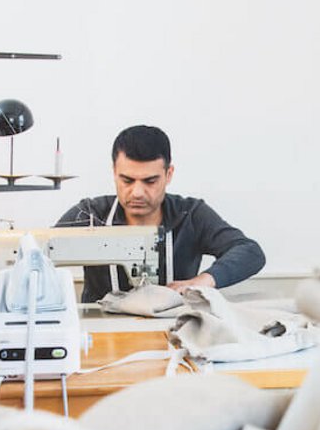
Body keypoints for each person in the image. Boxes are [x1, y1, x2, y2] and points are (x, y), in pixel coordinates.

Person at [55, 125, 265, 302]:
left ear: (168, 174)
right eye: (127, 180)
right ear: (114, 173)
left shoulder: (190, 214)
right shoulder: (90, 214)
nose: (137, 192)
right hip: (100, 333)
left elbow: (250, 252)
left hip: (173, 329)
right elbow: (40, 256)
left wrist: (202, 281)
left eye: (150, 181)